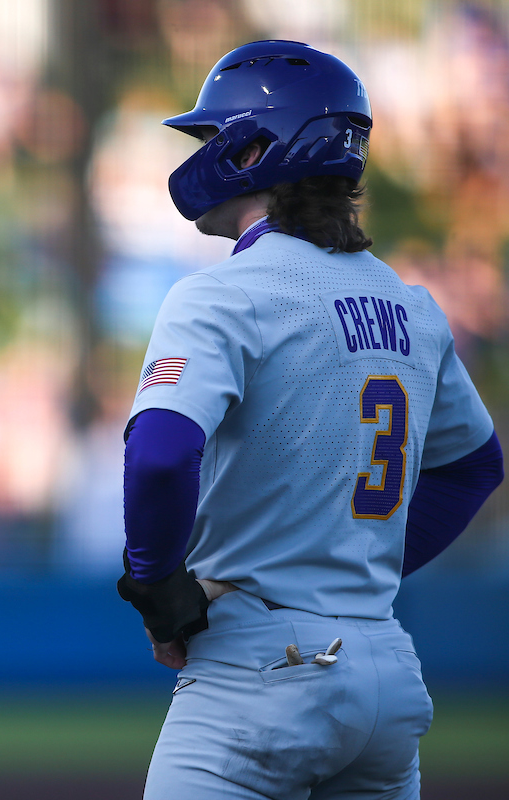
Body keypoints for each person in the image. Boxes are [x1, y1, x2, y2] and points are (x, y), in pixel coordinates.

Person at [116, 40, 503, 799]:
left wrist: (159, 590)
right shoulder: (410, 306)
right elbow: (474, 468)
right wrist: (360, 565)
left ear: (256, 149)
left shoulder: (223, 294)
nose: (202, 151)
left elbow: (160, 456)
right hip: (385, 668)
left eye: (213, 135)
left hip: (260, 664)